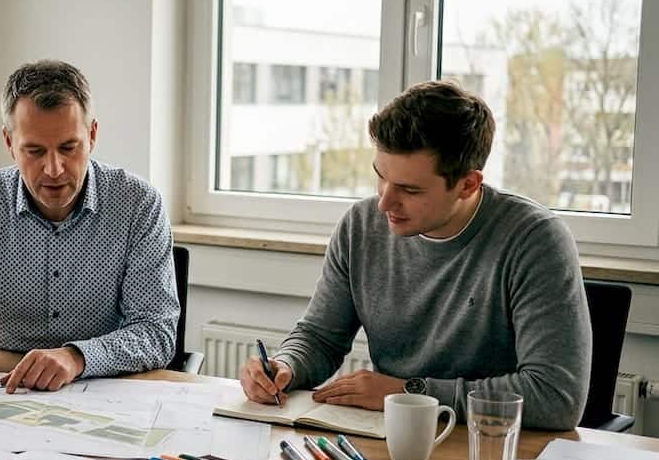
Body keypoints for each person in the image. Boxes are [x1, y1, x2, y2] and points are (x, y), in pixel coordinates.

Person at [239, 80, 591, 430]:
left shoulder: (535, 240)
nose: (384, 202)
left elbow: (556, 397)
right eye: (381, 177)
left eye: (409, 189)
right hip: (389, 439)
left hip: (492, 449)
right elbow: (320, 337)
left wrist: (409, 393)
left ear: (468, 184)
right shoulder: (361, 226)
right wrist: (286, 366)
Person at [0, 59, 180, 406]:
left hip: (105, 396)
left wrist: (76, 357)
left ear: (92, 135)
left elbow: (155, 332)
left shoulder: (138, 203)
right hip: (2, 392)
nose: (54, 169)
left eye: (68, 147)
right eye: (34, 151)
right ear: (9, 142)